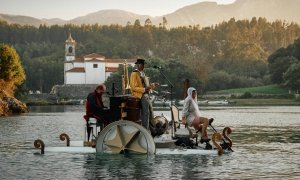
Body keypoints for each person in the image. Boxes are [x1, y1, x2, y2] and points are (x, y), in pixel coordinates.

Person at [130, 58, 159, 129]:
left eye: (143, 65)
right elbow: (133, 87)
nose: (143, 66)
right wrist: (144, 89)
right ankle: (145, 129)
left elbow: (146, 85)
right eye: (142, 65)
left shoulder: (143, 73)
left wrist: (153, 85)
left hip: (146, 95)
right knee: (145, 113)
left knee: (150, 113)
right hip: (140, 95)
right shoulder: (134, 74)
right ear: (138, 65)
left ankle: (151, 129)